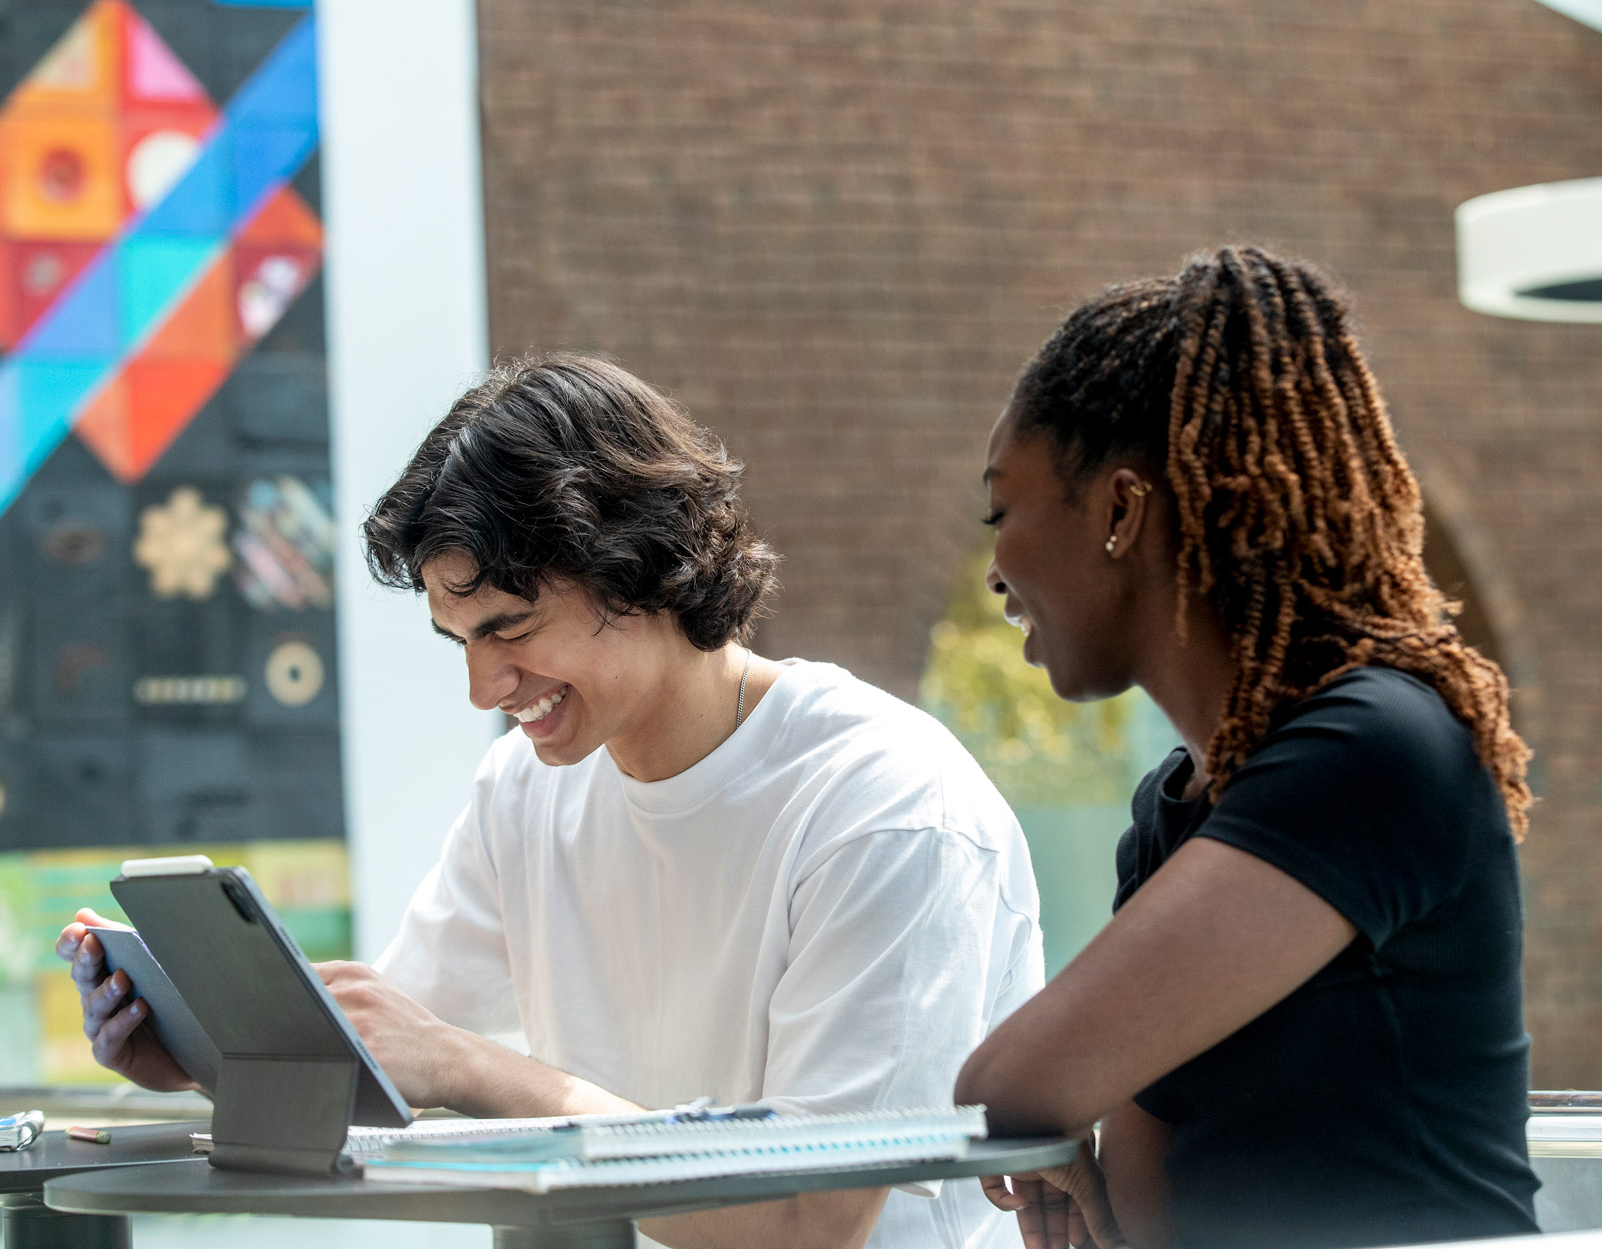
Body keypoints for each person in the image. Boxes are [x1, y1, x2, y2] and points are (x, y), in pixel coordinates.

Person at [58, 353, 1045, 1249]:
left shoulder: (883, 803)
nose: (486, 688)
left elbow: (809, 1217)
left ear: (642, 568)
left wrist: (480, 1071)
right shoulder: (525, 793)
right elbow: (389, 1056)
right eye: (463, 643)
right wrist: (195, 1049)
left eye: (512, 628)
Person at [953, 247, 1540, 1249]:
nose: (996, 569)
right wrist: (1057, 1131)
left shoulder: (1374, 749)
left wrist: (1049, 1115)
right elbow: (1130, 1204)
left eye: (1003, 510)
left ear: (1122, 512)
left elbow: (1011, 1088)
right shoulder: (1176, 808)